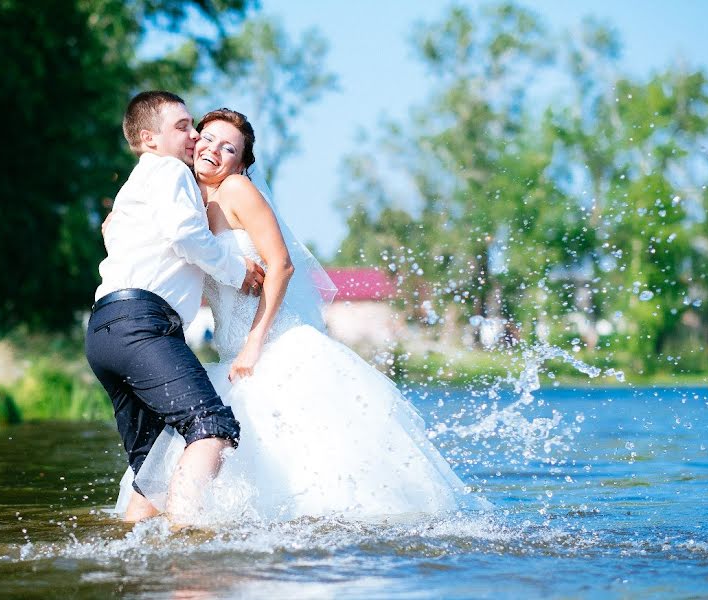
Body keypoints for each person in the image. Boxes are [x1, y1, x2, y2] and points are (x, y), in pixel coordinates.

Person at [117, 109, 491, 522]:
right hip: (230, 361)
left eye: (229, 148)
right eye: (207, 138)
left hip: (273, 348)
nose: (213, 150)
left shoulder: (238, 190)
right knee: (202, 454)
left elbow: (281, 265)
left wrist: (256, 342)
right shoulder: (183, 203)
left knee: (313, 475)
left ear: (241, 164)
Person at [85, 92, 266, 525]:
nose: (194, 136)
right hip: (142, 326)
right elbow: (185, 236)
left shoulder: (136, 184)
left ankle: (136, 559)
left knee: (151, 471)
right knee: (212, 428)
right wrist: (236, 270)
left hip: (104, 331)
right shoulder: (168, 170)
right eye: (183, 127)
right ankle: (187, 549)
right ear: (149, 138)